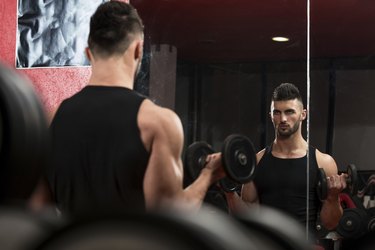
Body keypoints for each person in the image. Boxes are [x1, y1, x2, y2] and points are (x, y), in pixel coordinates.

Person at [40, 1, 225, 215]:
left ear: (89, 53)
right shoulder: (157, 123)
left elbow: (37, 212)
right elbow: (170, 217)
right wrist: (208, 176)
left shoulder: (50, 119)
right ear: (138, 49)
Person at [225, 83, 347, 231]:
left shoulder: (323, 162)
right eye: (277, 112)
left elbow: (330, 224)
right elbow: (246, 218)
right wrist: (229, 190)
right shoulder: (257, 161)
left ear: (303, 114)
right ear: (271, 116)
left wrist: (332, 197)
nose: (283, 118)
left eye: (289, 112)